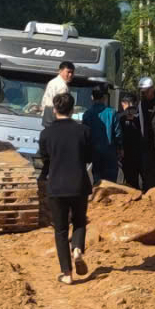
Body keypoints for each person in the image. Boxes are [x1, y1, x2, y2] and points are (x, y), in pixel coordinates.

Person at [35, 90, 94, 283]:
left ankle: (67, 274)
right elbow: (89, 157)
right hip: (79, 184)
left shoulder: (46, 134)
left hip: (57, 186)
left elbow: (45, 160)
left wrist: (43, 177)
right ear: (72, 110)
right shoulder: (83, 131)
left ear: (54, 110)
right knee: (79, 221)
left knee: (60, 229)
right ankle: (77, 249)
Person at [83, 85, 119, 187]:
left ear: (92, 97)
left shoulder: (87, 114)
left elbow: (85, 134)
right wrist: (120, 148)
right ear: (105, 97)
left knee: (97, 181)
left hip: (94, 152)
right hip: (110, 152)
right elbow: (118, 133)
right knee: (110, 183)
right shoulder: (112, 113)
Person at [132, 77, 155, 189]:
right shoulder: (142, 104)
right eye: (142, 92)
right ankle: (148, 191)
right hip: (146, 142)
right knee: (147, 169)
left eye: (145, 91)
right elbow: (139, 120)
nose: (143, 94)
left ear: (152, 89)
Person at [116, 95, 147, 189]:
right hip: (127, 154)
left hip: (140, 153)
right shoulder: (120, 117)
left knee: (144, 180)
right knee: (131, 182)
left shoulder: (140, 117)